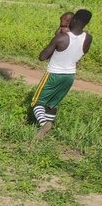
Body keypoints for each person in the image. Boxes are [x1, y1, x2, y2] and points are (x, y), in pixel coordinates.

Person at [33, 8, 92, 138]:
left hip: (53, 74)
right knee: (53, 104)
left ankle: (44, 124)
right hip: (70, 76)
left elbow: (42, 57)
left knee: (37, 103)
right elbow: (82, 52)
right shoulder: (88, 38)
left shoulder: (61, 38)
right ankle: (49, 127)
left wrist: (55, 41)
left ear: (73, 20)